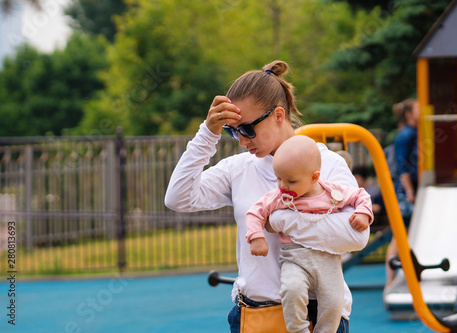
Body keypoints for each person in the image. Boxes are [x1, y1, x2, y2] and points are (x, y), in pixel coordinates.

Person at [164, 60, 369, 333]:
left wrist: (283, 221)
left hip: (315, 314)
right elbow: (177, 198)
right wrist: (207, 134)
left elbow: (356, 236)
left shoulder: (326, 164)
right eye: (232, 130)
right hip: (253, 314)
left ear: (279, 116)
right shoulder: (239, 168)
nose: (241, 140)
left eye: (247, 129)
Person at [246, 135, 373, 333]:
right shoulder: (280, 196)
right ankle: (299, 330)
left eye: (291, 181)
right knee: (291, 289)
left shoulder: (332, 193)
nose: (283, 186)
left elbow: (360, 195)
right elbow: (256, 211)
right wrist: (256, 237)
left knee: (334, 301)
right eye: (278, 178)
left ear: (314, 177)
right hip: (295, 258)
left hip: (327, 260)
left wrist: (363, 213)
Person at [385, 98, 419, 286]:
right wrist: (409, 191)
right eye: (418, 109)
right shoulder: (406, 135)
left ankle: (400, 278)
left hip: (408, 190)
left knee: (406, 234)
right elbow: (401, 166)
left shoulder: (414, 133)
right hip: (404, 193)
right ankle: (390, 281)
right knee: (400, 235)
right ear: (408, 114)